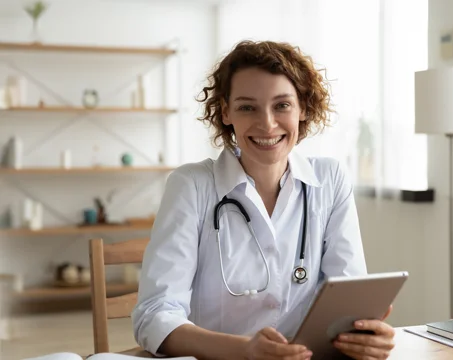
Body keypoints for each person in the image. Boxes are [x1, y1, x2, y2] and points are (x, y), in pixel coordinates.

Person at [132, 40, 396, 360]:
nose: (267, 124)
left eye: (282, 105)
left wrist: (365, 335)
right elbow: (155, 316)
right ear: (226, 112)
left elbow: (348, 298)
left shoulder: (329, 179)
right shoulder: (192, 185)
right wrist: (245, 351)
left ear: (303, 108)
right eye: (247, 107)